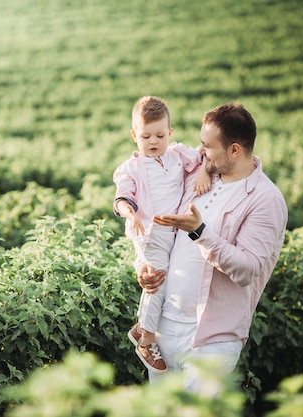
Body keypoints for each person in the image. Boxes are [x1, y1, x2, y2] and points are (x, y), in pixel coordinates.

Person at [135, 102, 288, 395]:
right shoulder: (198, 175)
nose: (200, 150)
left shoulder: (266, 199)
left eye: (207, 145)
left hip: (212, 338)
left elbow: (247, 270)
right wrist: (142, 267)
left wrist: (199, 232)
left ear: (234, 150)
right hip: (166, 325)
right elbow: (162, 232)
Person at [113, 96, 211, 374]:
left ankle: (141, 328)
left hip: (171, 234)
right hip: (149, 232)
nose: (153, 142)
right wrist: (130, 214)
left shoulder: (178, 155)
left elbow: (204, 155)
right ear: (134, 136)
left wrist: (203, 169)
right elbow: (123, 197)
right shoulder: (131, 168)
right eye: (145, 136)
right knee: (158, 281)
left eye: (159, 135)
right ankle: (146, 338)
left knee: (161, 281)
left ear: (169, 133)